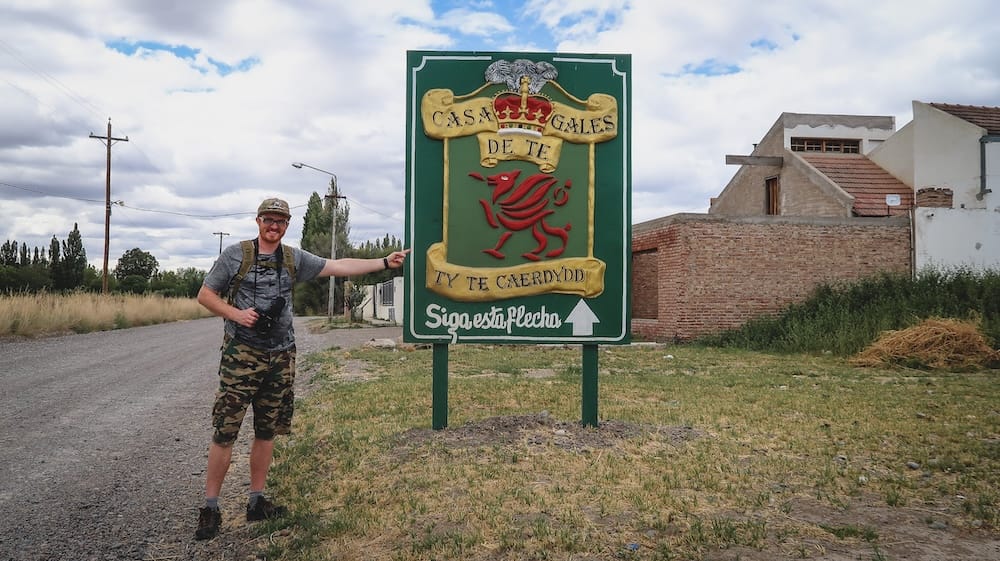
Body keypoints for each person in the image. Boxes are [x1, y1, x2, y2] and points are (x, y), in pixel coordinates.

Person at [194, 197, 410, 540]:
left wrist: (385, 261)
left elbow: (339, 266)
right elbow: (205, 295)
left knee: (267, 431)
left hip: (281, 356)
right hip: (242, 354)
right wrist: (236, 315)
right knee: (225, 431)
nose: (274, 226)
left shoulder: (293, 258)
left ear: (287, 225)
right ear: (258, 221)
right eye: (268, 219)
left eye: (280, 221)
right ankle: (210, 507)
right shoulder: (236, 254)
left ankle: (256, 501)